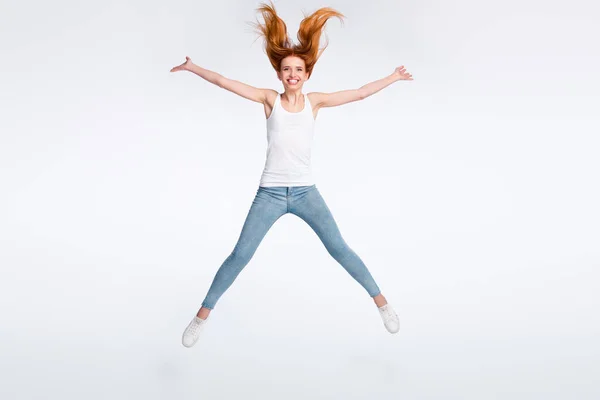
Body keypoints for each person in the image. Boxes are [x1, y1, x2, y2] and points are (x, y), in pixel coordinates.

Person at [170, 1, 413, 348]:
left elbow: (358, 94)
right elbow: (226, 82)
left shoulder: (315, 102)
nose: (292, 74)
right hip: (269, 194)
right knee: (240, 255)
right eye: (286, 69)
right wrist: (194, 68)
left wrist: (393, 77)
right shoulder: (270, 100)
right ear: (280, 74)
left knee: (339, 248)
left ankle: (383, 304)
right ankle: (200, 317)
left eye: (298, 68)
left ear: (307, 73)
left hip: (305, 193)